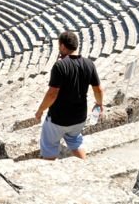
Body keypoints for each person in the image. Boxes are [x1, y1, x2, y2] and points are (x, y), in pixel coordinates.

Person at [35, 31, 104, 160]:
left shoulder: (60, 66)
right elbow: (98, 89)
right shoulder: (89, 64)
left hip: (58, 118)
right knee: (75, 141)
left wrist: (40, 110)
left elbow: (52, 94)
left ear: (62, 46)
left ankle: (47, 171)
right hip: (79, 118)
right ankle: (84, 164)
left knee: (49, 147)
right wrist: (99, 104)